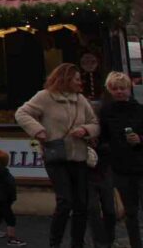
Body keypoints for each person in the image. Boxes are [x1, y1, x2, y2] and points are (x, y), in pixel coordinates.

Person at [16, 62, 99, 248]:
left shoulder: (81, 100)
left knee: (81, 204)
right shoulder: (45, 97)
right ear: (66, 79)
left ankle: (77, 243)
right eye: (77, 79)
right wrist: (38, 130)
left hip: (78, 157)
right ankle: (55, 243)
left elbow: (94, 122)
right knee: (65, 202)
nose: (80, 83)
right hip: (56, 156)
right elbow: (22, 113)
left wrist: (85, 130)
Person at [99, 71, 143, 248]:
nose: (119, 92)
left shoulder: (140, 109)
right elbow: (103, 139)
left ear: (129, 88)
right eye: (115, 88)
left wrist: (140, 139)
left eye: (122, 88)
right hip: (120, 167)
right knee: (130, 211)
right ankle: (136, 244)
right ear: (110, 90)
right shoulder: (106, 111)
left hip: (141, 164)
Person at [0, 148, 27, 246]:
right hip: (3, 199)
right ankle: (12, 238)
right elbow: (10, 186)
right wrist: (12, 197)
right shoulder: (4, 173)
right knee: (10, 218)